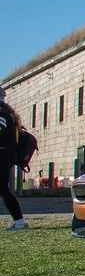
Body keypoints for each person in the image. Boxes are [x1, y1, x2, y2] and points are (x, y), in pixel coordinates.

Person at [0, 86, 28, 230]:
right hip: (5, 156)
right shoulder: (7, 113)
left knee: (4, 190)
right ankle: (19, 221)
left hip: (2, 156)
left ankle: (20, 222)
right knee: (3, 190)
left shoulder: (1, 114)